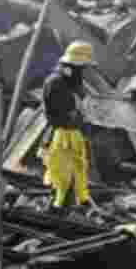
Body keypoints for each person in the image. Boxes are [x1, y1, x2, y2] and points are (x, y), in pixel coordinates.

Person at [41, 41, 98, 213]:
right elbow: (59, 115)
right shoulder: (56, 83)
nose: (83, 73)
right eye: (82, 68)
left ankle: (69, 209)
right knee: (62, 179)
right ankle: (59, 213)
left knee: (76, 175)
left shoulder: (69, 82)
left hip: (72, 136)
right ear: (72, 66)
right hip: (62, 137)